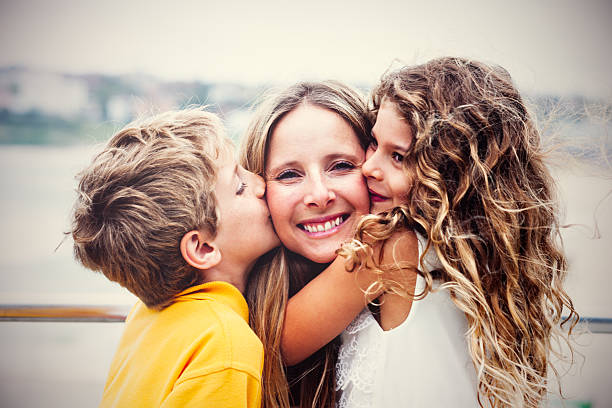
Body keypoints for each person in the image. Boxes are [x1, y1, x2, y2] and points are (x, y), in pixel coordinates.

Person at [330, 57, 579, 407]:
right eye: (374, 142)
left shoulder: (394, 247)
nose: (370, 167)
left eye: (399, 157)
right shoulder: (483, 262)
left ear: (451, 175)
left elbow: (286, 341)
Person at [70, 108, 279, 407]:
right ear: (202, 248)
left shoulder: (144, 318)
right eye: (240, 187)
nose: (261, 183)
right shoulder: (225, 344)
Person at [240, 80, 397, 408]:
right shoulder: (240, 301)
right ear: (257, 188)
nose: (319, 195)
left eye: (341, 166)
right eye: (288, 175)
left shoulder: (398, 251)